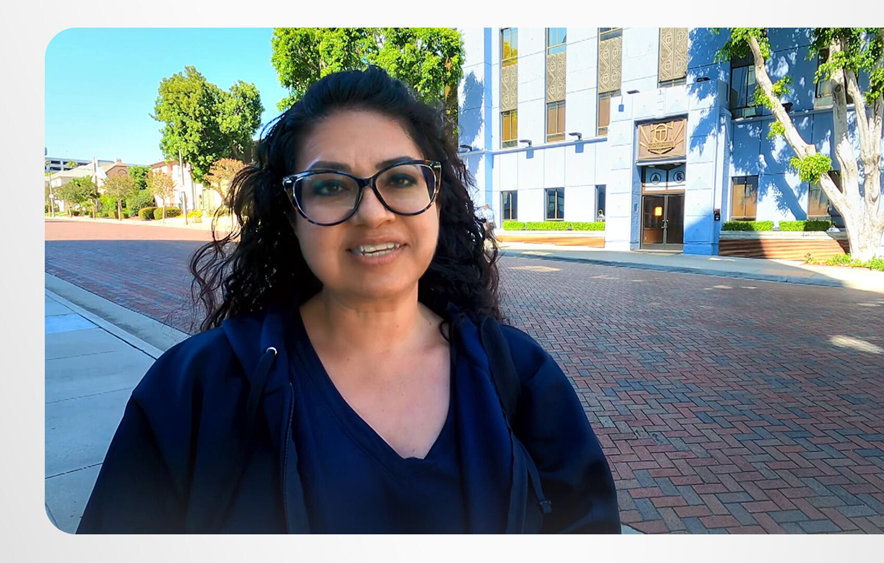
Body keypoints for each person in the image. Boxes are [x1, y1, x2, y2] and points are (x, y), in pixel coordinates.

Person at [77, 66, 620, 534]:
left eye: (400, 179)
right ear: (291, 215)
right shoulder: (193, 392)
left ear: (436, 198)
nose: (373, 214)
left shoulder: (522, 378)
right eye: (331, 186)